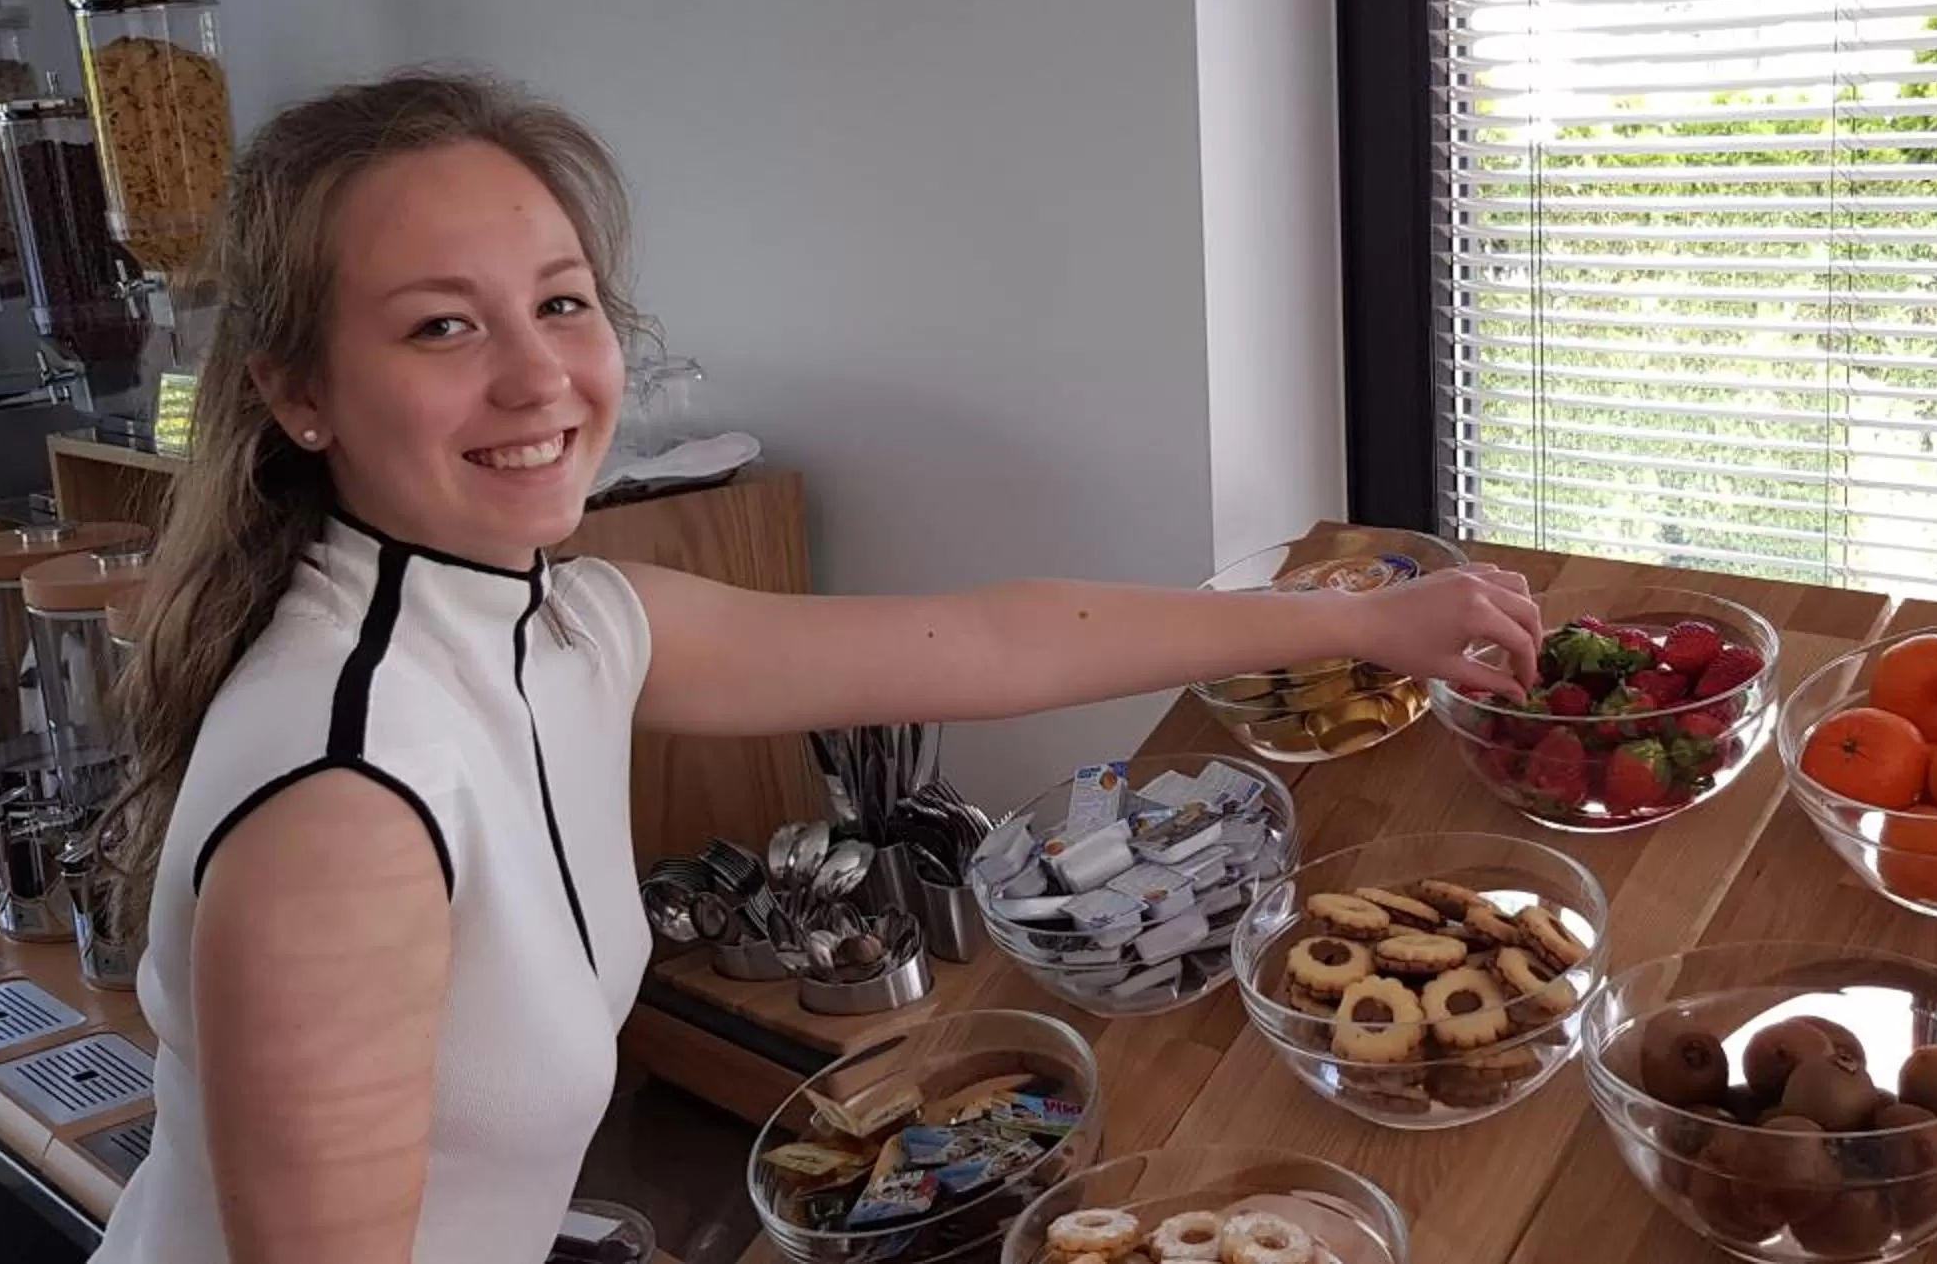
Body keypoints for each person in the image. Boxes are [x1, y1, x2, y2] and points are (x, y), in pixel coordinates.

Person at [88, 71, 1543, 1264]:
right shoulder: (344, 796)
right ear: (298, 392)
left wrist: (1359, 621)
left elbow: (989, 642)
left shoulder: (558, 621)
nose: (537, 377)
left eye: (562, 303)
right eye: (441, 326)